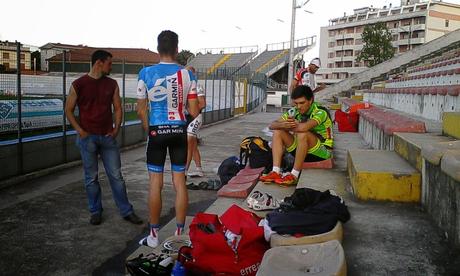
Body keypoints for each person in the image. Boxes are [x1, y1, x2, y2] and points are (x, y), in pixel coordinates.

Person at [136, 30, 199, 248]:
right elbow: (195, 109)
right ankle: (179, 234)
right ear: (177, 49)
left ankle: (153, 236)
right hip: (179, 131)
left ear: (157, 48)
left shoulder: (145, 73)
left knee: (156, 183)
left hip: (156, 132)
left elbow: (141, 109)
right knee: (179, 181)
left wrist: (150, 130)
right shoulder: (188, 75)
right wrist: (182, 121)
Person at [65, 50, 142, 226]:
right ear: (99, 63)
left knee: (116, 176)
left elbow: (118, 108)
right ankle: (95, 211)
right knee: (91, 178)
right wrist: (80, 131)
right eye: (109, 63)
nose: (111, 66)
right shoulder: (79, 84)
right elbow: (68, 110)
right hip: (88, 138)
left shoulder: (112, 84)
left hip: (107, 138)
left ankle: (126, 211)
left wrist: (116, 129)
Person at [259, 85, 333, 186]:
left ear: (310, 100)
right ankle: (275, 171)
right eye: (296, 103)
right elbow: (272, 125)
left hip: (322, 152)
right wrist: (282, 125)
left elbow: (304, 128)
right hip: (303, 150)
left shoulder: (320, 112)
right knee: (278, 131)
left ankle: (294, 175)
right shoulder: (295, 111)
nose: (298, 107)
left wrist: (287, 126)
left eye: (302, 103)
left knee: (303, 134)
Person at [185, 66, 206, 177]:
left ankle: (184, 171)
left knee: (188, 144)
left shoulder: (197, 86)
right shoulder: (184, 86)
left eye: (188, 72)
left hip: (195, 117)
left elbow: (202, 104)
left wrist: (189, 109)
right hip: (188, 118)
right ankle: (199, 169)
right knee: (193, 146)